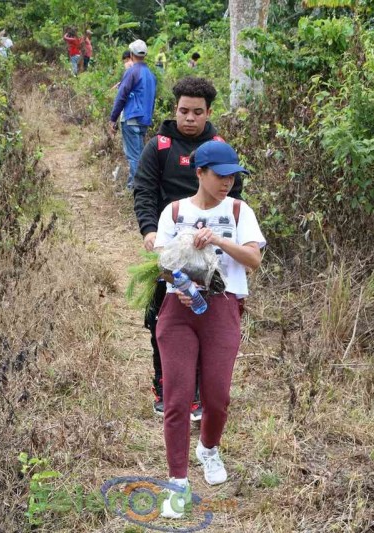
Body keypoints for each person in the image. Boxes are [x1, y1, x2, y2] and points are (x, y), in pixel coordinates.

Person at [153, 140, 265, 519]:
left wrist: (218, 239)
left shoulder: (238, 211)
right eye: (220, 176)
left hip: (223, 307)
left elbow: (254, 259)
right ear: (199, 173)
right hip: (179, 310)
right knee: (177, 398)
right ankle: (178, 484)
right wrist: (183, 286)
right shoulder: (174, 212)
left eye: (233, 176)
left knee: (217, 397)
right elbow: (162, 264)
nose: (227, 182)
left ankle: (209, 448)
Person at [133, 77, 245, 420]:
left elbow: (235, 197)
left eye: (197, 112)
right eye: (184, 111)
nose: (190, 118)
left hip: (210, 248)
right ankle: (164, 384)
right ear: (175, 109)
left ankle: (197, 390)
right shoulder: (160, 147)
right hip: (168, 244)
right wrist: (150, 231)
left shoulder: (219, 148)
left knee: (205, 315)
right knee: (163, 317)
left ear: (208, 112)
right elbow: (144, 190)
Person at [109, 39, 157, 191]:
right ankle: (136, 186)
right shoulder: (151, 75)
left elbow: (121, 96)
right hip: (144, 120)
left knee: (134, 157)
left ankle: (136, 189)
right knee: (140, 155)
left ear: (131, 54)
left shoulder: (132, 72)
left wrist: (113, 119)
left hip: (131, 118)